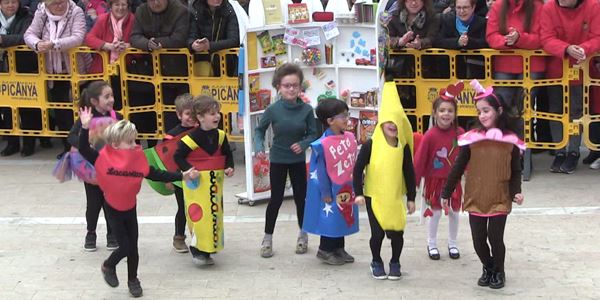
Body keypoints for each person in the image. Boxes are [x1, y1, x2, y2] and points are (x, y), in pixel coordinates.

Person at [77, 107, 198, 298]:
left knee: (133, 247)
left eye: (136, 140)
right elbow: (83, 148)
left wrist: (181, 176)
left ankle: (133, 279)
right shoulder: (103, 158)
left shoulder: (137, 158)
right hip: (113, 209)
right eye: (131, 141)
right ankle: (108, 265)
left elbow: (155, 174)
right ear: (116, 144)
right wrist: (84, 127)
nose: (136, 144)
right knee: (125, 246)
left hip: (130, 207)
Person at [442, 79, 525, 289]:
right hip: (475, 196)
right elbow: (458, 167)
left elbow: (515, 171)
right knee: (478, 240)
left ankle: (500, 271)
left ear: (498, 110)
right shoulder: (472, 139)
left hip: (500, 196)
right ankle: (488, 266)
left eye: (486, 110)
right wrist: (446, 192)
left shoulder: (511, 140)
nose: (483, 115)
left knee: (496, 239)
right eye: (479, 112)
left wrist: (516, 192)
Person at [353, 81, 416, 280]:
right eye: (389, 121)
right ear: (382, 122)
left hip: (395, 197)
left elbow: (409, 171)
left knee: (396, 232)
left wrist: (412, 197)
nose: (392, 125)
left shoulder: (402, 146)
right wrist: (359, 193)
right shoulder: (370, 145)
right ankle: (376, 260)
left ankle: (395, 261)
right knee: (378, 234)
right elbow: (357, 169)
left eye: (397, 122)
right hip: (374, 197)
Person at [254, 63, 318, 258]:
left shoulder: (307, 110)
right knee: (276, 199)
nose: (291, 89)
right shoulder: (273, 109)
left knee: (301, 199)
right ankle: (267, 238)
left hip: (297, 160)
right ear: (278, 87)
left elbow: (314, 133)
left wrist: (304, 143)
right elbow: (259, 130)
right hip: (278, 159)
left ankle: (303, 235)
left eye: (295, 85)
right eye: (287, 85)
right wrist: (259, 148)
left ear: (300, 87)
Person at [540, 0, 600, 174]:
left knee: (577, 110)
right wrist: (566, 48)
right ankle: (560, 151)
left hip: (581, 69)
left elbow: (597, 36)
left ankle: (573, 151)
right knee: (555, 110)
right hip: (556, 69)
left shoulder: (593, 6)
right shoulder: (549, 7)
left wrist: (584, 48)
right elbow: (546, 38)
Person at [173, 95, 234, 266]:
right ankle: (198, 249)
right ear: (199, 117)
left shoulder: (221, 136)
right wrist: (188, 170)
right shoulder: (191, 138)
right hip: (197, 185)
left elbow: (227, 153)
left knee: (214, 214)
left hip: (215, 183)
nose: (217, 117)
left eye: (217, 113)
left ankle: (209, 247)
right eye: (212, 113)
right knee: (199, 216)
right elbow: (178, 156)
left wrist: (229, 166)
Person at [24, 0, 87, 158]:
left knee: (78, 111)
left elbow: (78, 37)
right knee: (61, 112)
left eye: (62, 2)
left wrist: (54, 44)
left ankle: (82, 148)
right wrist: (37, 44)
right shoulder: (42, 12)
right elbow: (29, 34)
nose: (59, 6)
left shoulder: (76, 11)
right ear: (47, 4)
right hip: (52, 71)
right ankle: (67, 148)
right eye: (55, 3)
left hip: (75, 70)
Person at [302, 99, 359, 266]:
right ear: (330, 121)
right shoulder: (323, 144)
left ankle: (339, 247)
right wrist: (325, 192)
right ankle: (325, 249)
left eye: (348, 115)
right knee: (330, 217)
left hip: (345, 187)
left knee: (342, 215)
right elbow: (320, 170)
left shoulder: (347, 137)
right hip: (330, 189)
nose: (347, 119)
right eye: (343, 116)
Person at [67, 80, 121, 251]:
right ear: (94, 101)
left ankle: (112, 234)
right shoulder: (86, 118)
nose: (111, 99)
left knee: (111, 202)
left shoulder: (116, 117)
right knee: (93, 203)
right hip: (90, 168)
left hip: (111, 168)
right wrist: (86, 142)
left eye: (112, 95)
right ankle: (91, 232)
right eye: (107, 96)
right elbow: (71, 137)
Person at [413, 82, 465, 261]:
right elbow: (420, 159)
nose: (446, 114)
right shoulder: (430, 135)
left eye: (450, 110)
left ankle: (453, 243)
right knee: (434, 213)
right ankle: (432, 243)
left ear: (455, 113)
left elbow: (467, 156)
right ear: (434, 114)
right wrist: (415, 181)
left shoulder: (460, 133)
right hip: (435, 181)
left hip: (454, 181)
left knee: (454, 212)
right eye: (442, 110)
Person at [129, 0, 189, 145]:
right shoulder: (141, 10)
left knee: (186, 113)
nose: (156, 3)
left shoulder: (180, 10)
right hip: (153, 73)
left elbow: (179, 38)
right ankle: (168, 148)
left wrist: (158, 43)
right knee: (165, 117)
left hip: (180, 71)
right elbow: (134, 37)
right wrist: (147, 44)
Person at [486, 0, 545, 118]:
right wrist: (509, 40)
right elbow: (491, 36)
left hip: (531, 67)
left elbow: (541, 38)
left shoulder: (538, 6)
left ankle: (521, 137)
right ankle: (502, 136)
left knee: (524, 111)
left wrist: (519, 38)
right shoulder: (498, 5)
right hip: (504, 66)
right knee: (501, 107)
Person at [0, 0, 38, 157]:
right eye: (6, 2)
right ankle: (12, 143)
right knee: (7, 107)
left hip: (23, 66)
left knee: (27, 107)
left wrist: (2, 40)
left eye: (13, 2)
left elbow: (25, 37)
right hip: (3, 69)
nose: (10, 5)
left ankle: (29, 143)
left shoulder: (27, 16)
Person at [434, 0, 488, 79]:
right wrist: (457, 42)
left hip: (477, 74)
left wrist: (469, 42)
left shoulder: (483, 23)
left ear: (473, 7)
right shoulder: (447, 20)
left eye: (465, 7)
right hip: (449, 74)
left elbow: (486, 42)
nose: (461, 11)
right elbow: (438, 41)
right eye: (458, 8)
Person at [188, 0, 239, 77]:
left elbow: (234, 40)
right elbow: (189, 35)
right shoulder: (194, 10)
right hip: (200, 64)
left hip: (226, 66)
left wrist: (210, 46)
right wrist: (192, 44)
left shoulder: (230, 10)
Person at [84, 0, 134, 74]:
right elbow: (89, 38)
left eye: (123, 5)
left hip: (127, 69)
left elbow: (138, 41)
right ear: (111, 6)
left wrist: (129, 46)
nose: (120, 8)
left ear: (128, 6)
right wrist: (107, 46)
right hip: (102, 69)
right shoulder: (103, 19)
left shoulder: (133, 20)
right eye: (117, 5)